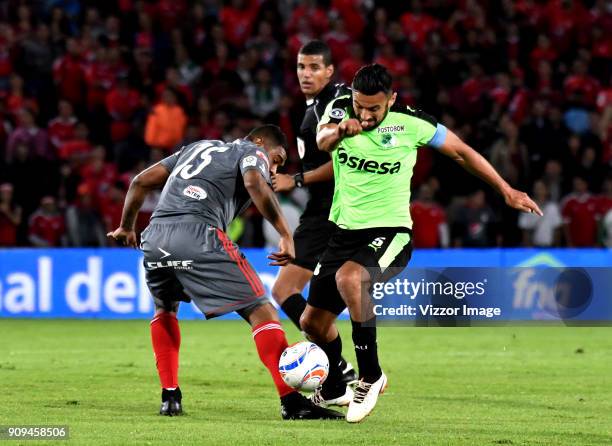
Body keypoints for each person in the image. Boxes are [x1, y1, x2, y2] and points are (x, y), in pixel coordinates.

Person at [305, 64, 542, 422]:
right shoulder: (338, 107)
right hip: (343, 232)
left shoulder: (412, 122)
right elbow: (322, 140)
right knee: (312, 322)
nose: (365, 114)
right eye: (360, 105)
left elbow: (461, 152)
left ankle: (370, 375)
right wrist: (340, 130)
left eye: (374, 108)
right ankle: (337, 382)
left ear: (392, 100)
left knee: (350, 279)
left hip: (391, 232)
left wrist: (506, 190)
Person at [107, 124, 343, 420]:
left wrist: (127, 226)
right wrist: (285, 233)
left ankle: (170, 396)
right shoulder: (250, 150)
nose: (274, 167)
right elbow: (255, 183)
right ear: (259, 142)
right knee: (262, 312)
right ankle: (292, 402)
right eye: (277, 159)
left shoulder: (194, 147)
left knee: (165, 309)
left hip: (154, 236)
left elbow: (141, 181)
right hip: (198, 233)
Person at [270, 40, 357, 401]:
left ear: (329, 71)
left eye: (313, 67)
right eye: (301, 67)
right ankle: (341, 371)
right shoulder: (314, 106)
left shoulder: (334, 105)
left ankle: (338, 375)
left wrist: (297, 179)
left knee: (284, 291)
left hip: (329, 211)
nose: (306, 74)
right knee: (299, 301)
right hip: (319, 210)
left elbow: (341, 163)